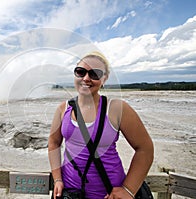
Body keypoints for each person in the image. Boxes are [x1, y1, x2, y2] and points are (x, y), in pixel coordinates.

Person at [48, 51, 154, 199]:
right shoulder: (63, 109)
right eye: (81, 72)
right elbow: (53, 143)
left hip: (107, 194)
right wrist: (57, 179)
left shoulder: (117, 108)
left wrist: (128, 190)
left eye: (95, 74)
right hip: (71, 193)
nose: (86, 78)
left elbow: (145, 148)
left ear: (104, 78)